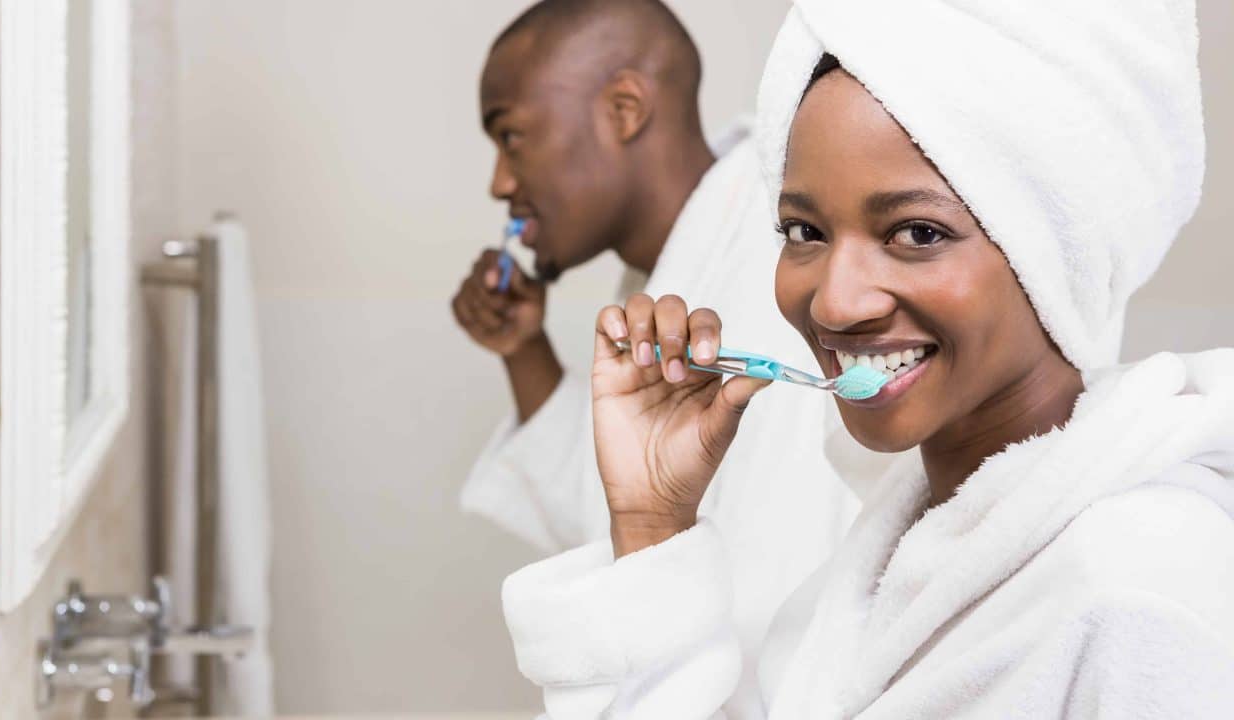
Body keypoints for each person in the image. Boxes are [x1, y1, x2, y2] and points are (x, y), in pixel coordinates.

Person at [500, 1, 1234, 717]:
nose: (833, 304)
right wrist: (652, 524)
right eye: (804, 230)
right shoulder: (872, 574)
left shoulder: (1141, 588)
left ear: (1054, 252)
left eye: (917, 233)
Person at [452, 2, 862, 712]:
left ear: (623, 109)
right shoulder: (671, 272)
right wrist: (524, 350)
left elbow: (768, 602)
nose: (499, 182)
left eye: (512, 136)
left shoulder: (772, 270)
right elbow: (622, 508)